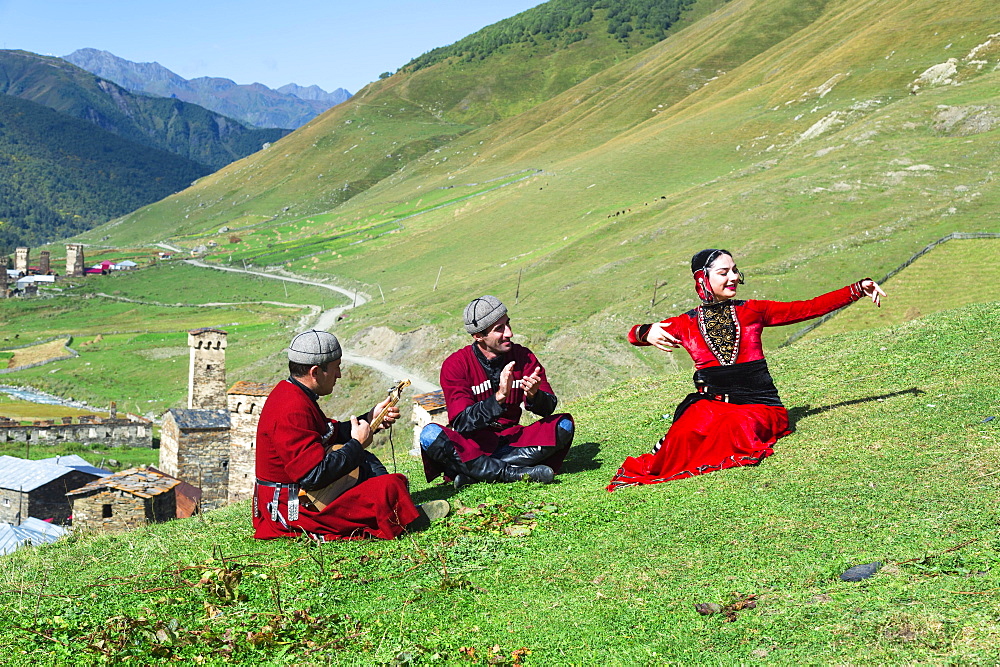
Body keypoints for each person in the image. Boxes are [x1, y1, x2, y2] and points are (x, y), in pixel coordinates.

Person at [607, 249, 886, 491]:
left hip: (760, 406)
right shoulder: (685, 323)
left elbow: (808, 308)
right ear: (703, 279)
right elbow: (632, 336)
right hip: (713, 403)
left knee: (735, 429)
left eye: (735, 271)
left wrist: (858, 288)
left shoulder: (753, 310)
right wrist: (647, 331)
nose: (733, 278)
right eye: (723, 272)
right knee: (686, 433)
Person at [253, 330, 449, 540]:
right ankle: (403, 516)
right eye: (336, 368)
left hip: (304, 496)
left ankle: (396, 508)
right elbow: (312, 476)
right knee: (389, 487)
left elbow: (330, 433)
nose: (339, 375)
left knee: (370, 467)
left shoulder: (294, 393)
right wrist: (357, 444)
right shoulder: (291, 408)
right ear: (316, 372)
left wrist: (371, 417)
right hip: (292, 509)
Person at [419, 295, 575, 489]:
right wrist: (498, 398)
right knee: (429, 435)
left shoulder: (523, 356)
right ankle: (511, 473)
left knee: (564, 425)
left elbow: (547, 407)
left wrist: (536, 395)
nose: (509, 333)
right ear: (478, 336)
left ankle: (475, 472)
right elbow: (461, 422)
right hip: (473, 445)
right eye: (499, 329)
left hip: (512, 440)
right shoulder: (456, 365)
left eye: (507, 324)